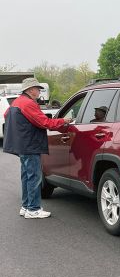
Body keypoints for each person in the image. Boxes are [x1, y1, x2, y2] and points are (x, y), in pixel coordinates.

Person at [3, 77, 71, 219]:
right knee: (34, 176)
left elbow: (6, 115)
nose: (39, 91)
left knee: (26, 176)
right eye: (37, 89)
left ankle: (26, 206)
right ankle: (33, 209)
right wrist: (62, 121)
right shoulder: (28, 103)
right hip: (31, 144)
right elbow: (44, 122)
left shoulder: (16, 102)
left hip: (22, 145)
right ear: (30, 90)